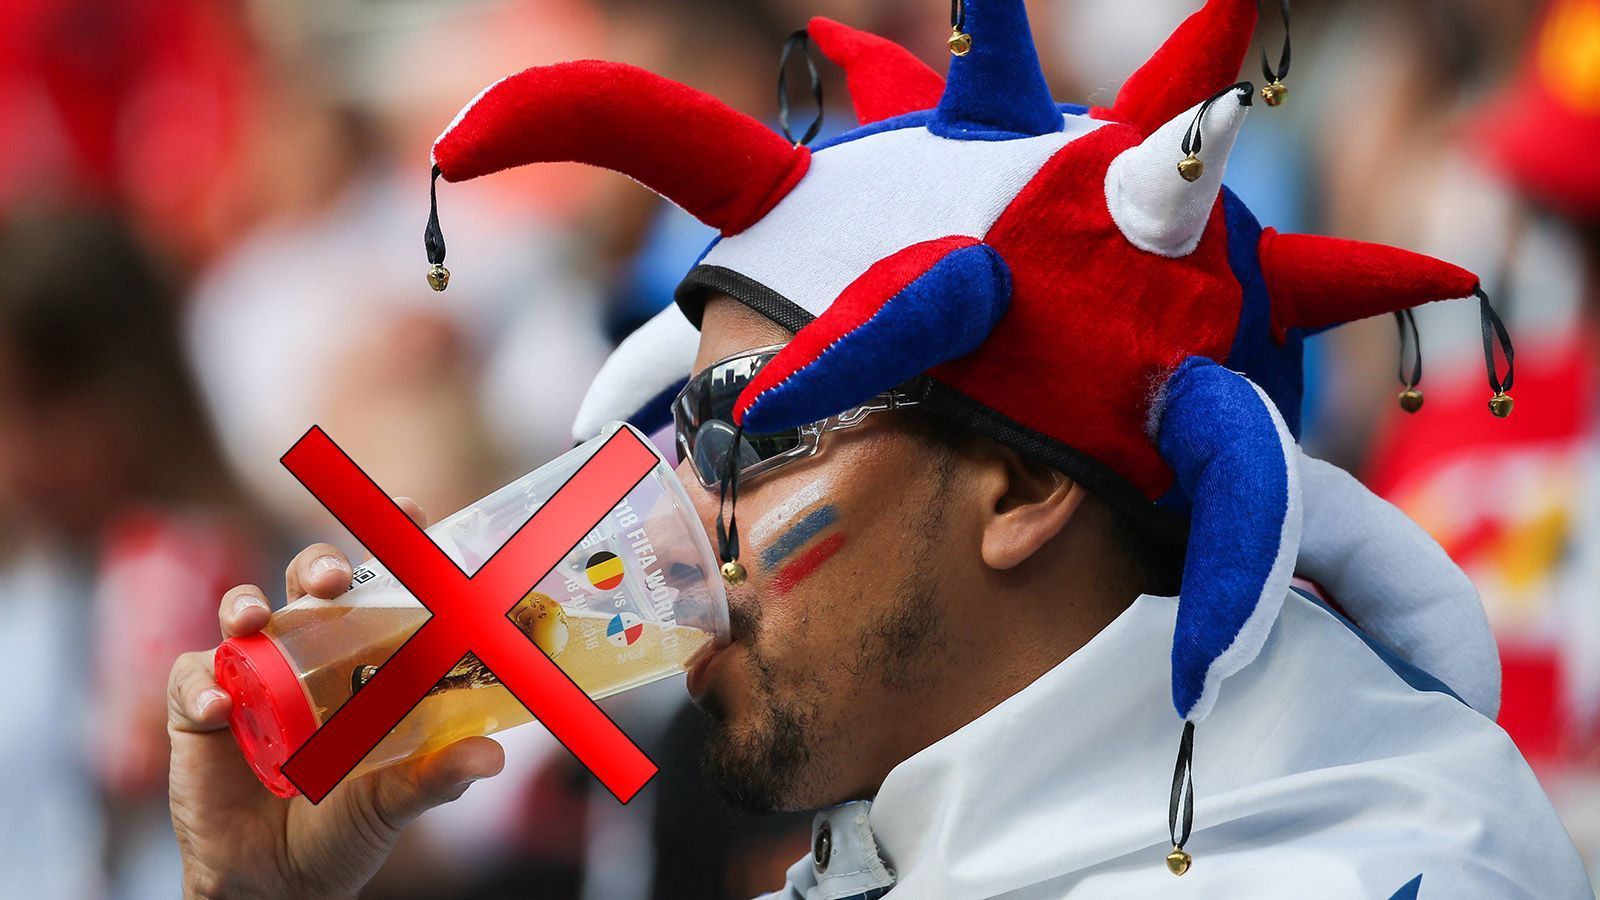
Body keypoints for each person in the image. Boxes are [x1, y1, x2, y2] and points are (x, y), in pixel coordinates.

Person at [167, 0, 1593, 895]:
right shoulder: (907, 824)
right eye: (682, 430)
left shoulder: (1334, 869)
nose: (674, 515)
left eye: (742, 429)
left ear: (1024, 487)